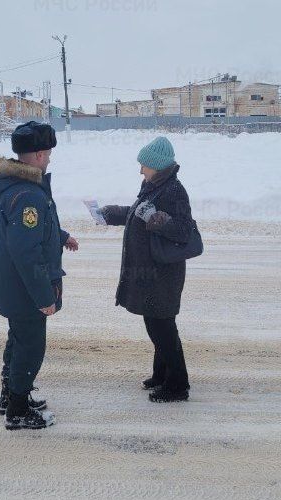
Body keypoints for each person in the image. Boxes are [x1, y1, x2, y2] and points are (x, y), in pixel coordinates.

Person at [0, 121, 79, 430]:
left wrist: (61, 235)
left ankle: (10, 395)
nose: (51, 158)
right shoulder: (29, 195)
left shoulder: (15, 185)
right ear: (39, 155)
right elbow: (27, 253)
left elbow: (31, 230)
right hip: (26, 290)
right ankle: (17, 409)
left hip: (13, 287)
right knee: (30, 346)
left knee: (18, 340)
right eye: (49, 153)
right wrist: (44, 296)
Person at [100, 136, 193, 403]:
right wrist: (113, 213)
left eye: (144, 166)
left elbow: (183, 230)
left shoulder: (174, 190)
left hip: (163, 273)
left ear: (158, 166)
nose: (141, 170)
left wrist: (155, 218)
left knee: (162, 327)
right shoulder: (154, 185)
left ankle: (177, 385)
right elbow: (139, 211)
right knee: (156, 324)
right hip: (152, 271)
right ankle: (161, 375)